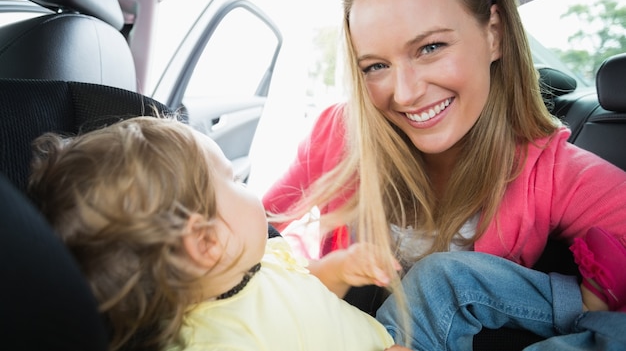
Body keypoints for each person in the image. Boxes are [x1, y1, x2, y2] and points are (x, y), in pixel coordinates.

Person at [261, 0, 626, 348]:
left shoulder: (553, 171)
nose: (404, 93)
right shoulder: (339, 132)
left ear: (494, 34)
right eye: (376, 65)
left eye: (430, 47)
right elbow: (253, 231)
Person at [27, 115, 403, 351]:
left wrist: (338, 270)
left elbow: (309, 294)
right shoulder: (219, 340)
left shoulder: (259, 262)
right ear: (206, 242)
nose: (249, 188)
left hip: (385, 337)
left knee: (441, 275)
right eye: (236, 180)